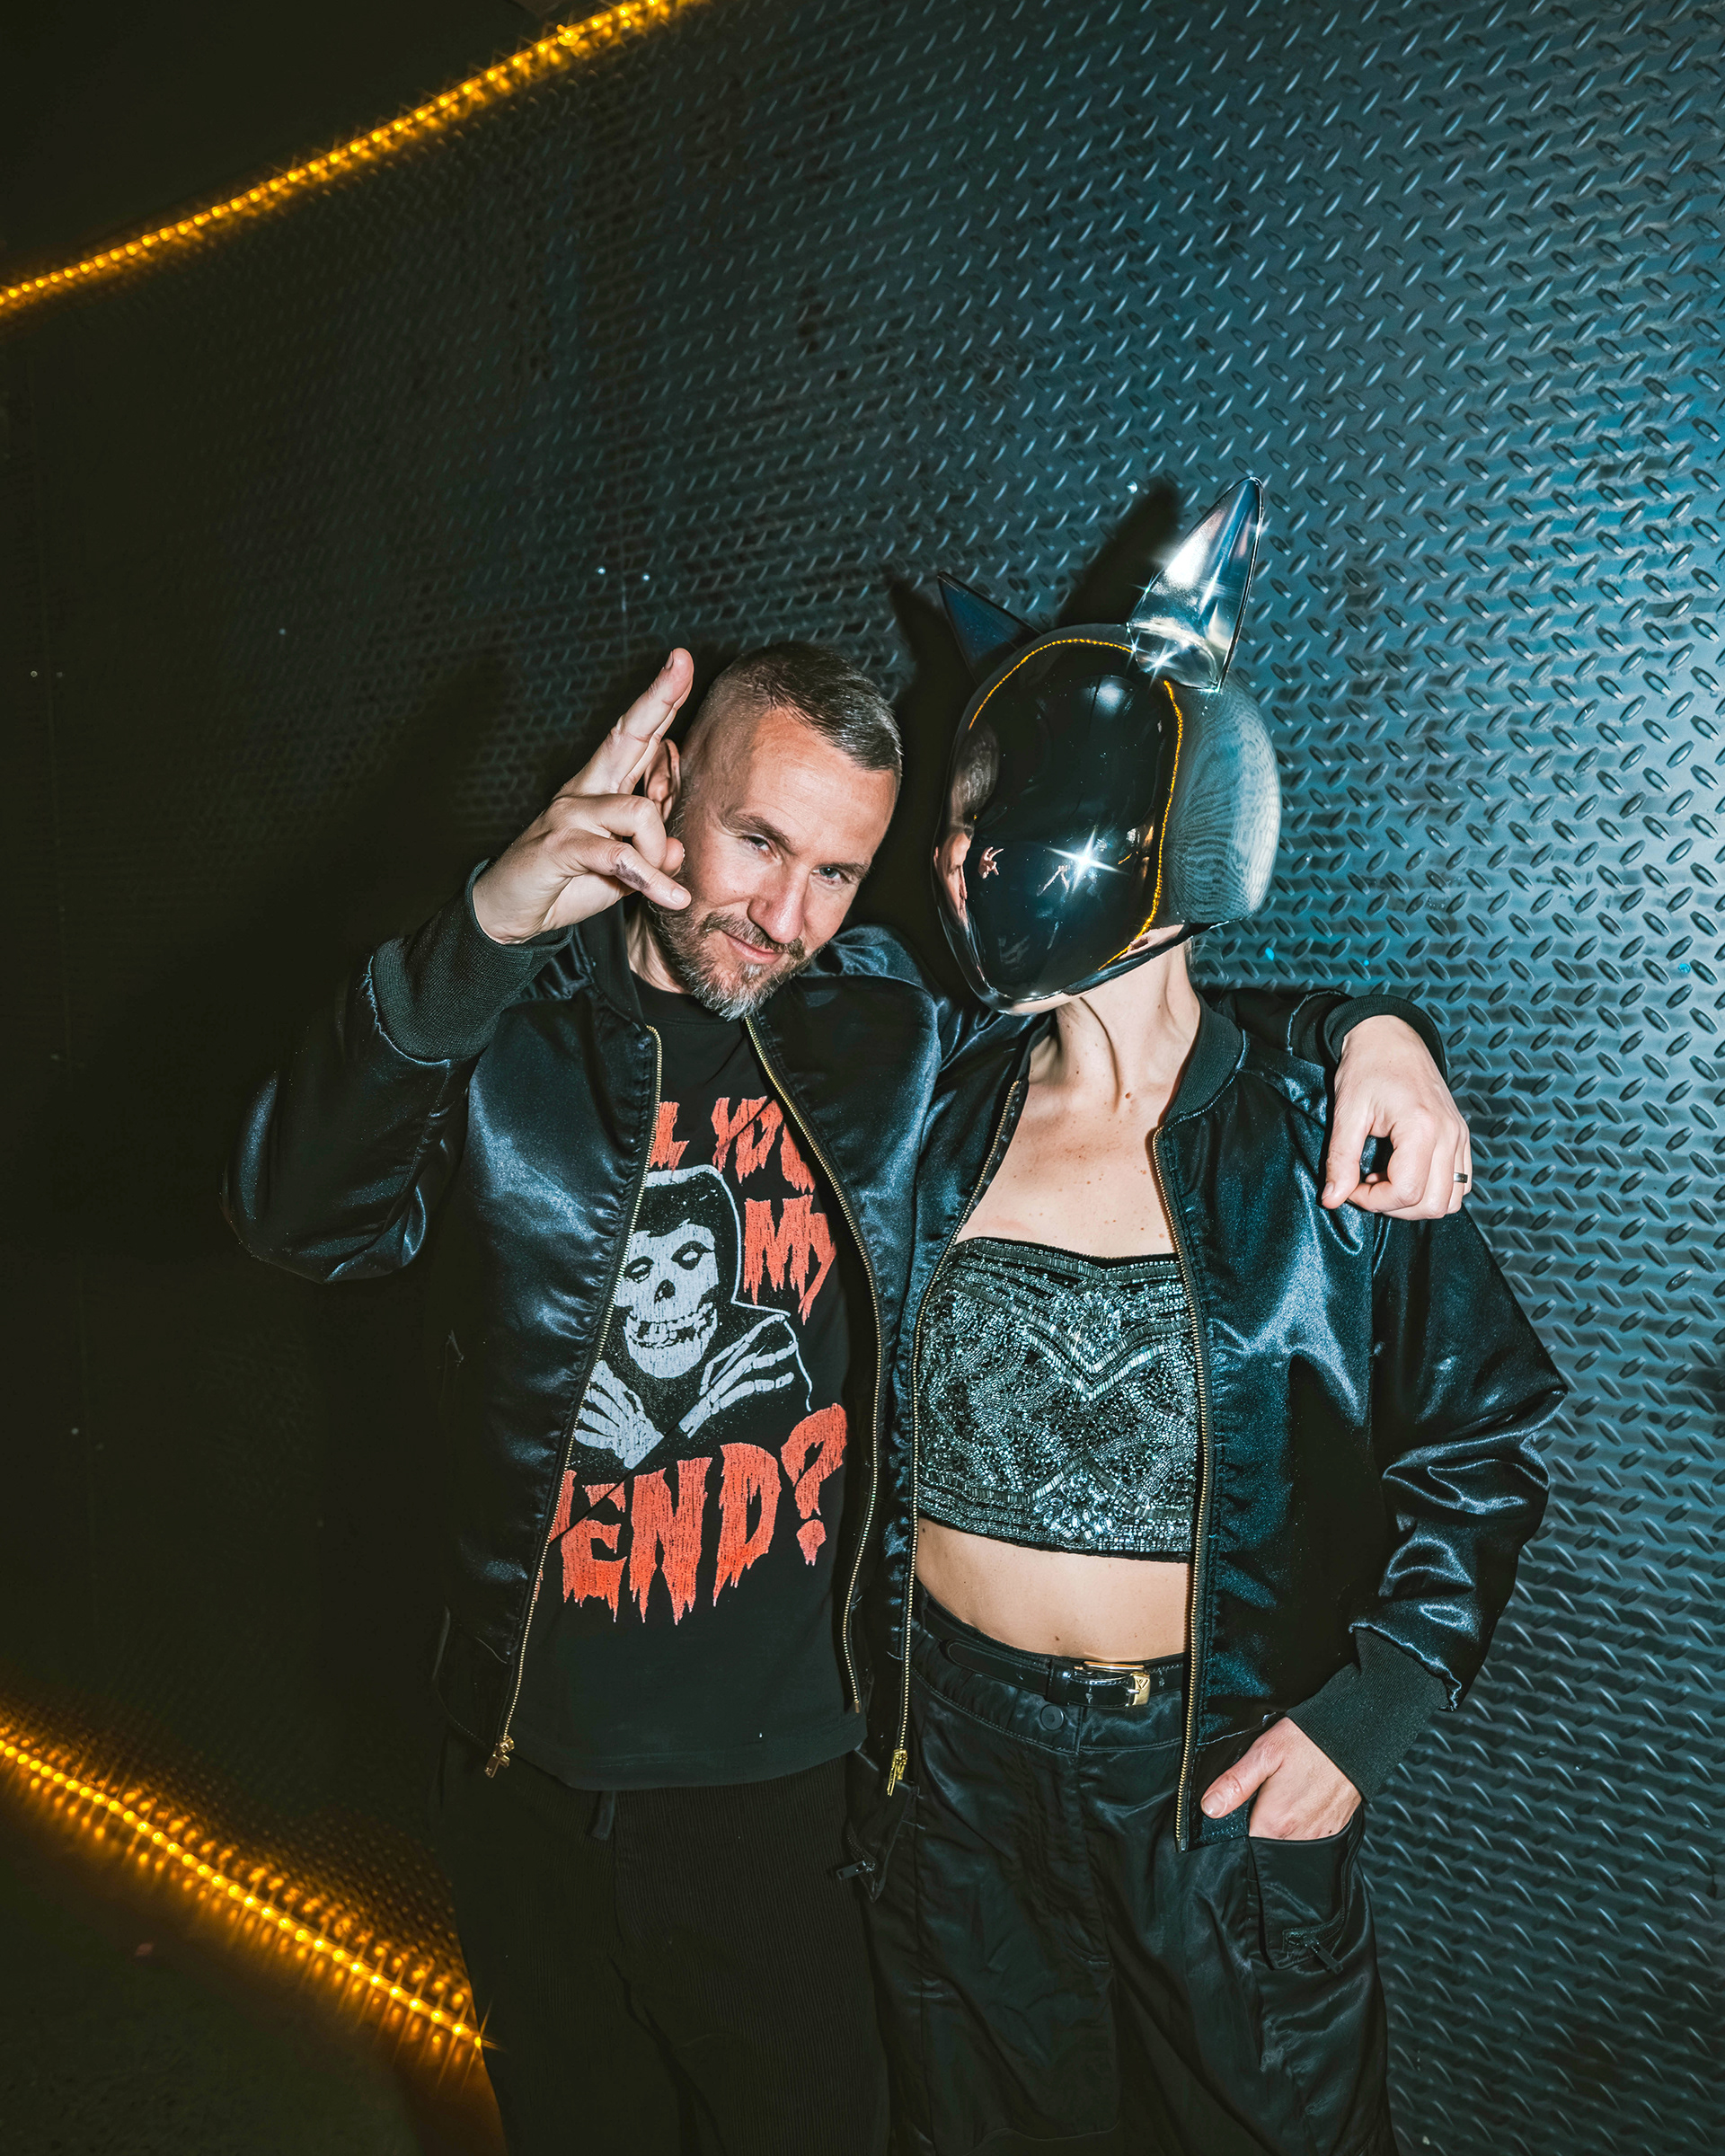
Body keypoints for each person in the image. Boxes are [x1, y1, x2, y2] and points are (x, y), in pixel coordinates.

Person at [224, 604, 1471, 2153]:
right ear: (665, 791)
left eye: (835, 872)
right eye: (757, 842)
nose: (782, 915)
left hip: (793, 1796)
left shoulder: (884, 1030)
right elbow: (297, 1219)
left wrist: (1365, 1032)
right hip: (519, 1768)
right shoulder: (503, 1031)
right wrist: (488, 921)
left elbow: (1131, 1022)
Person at [854, 485, 1564, 2156]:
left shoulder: (1324, 1140)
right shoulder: (931, 1102)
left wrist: (1373, 1709)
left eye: (986, 814)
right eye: (952, 823)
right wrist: (1366, 1013)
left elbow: (1482, 1442)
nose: (949, 859)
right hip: (949, 1763)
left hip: (1204, 1779)